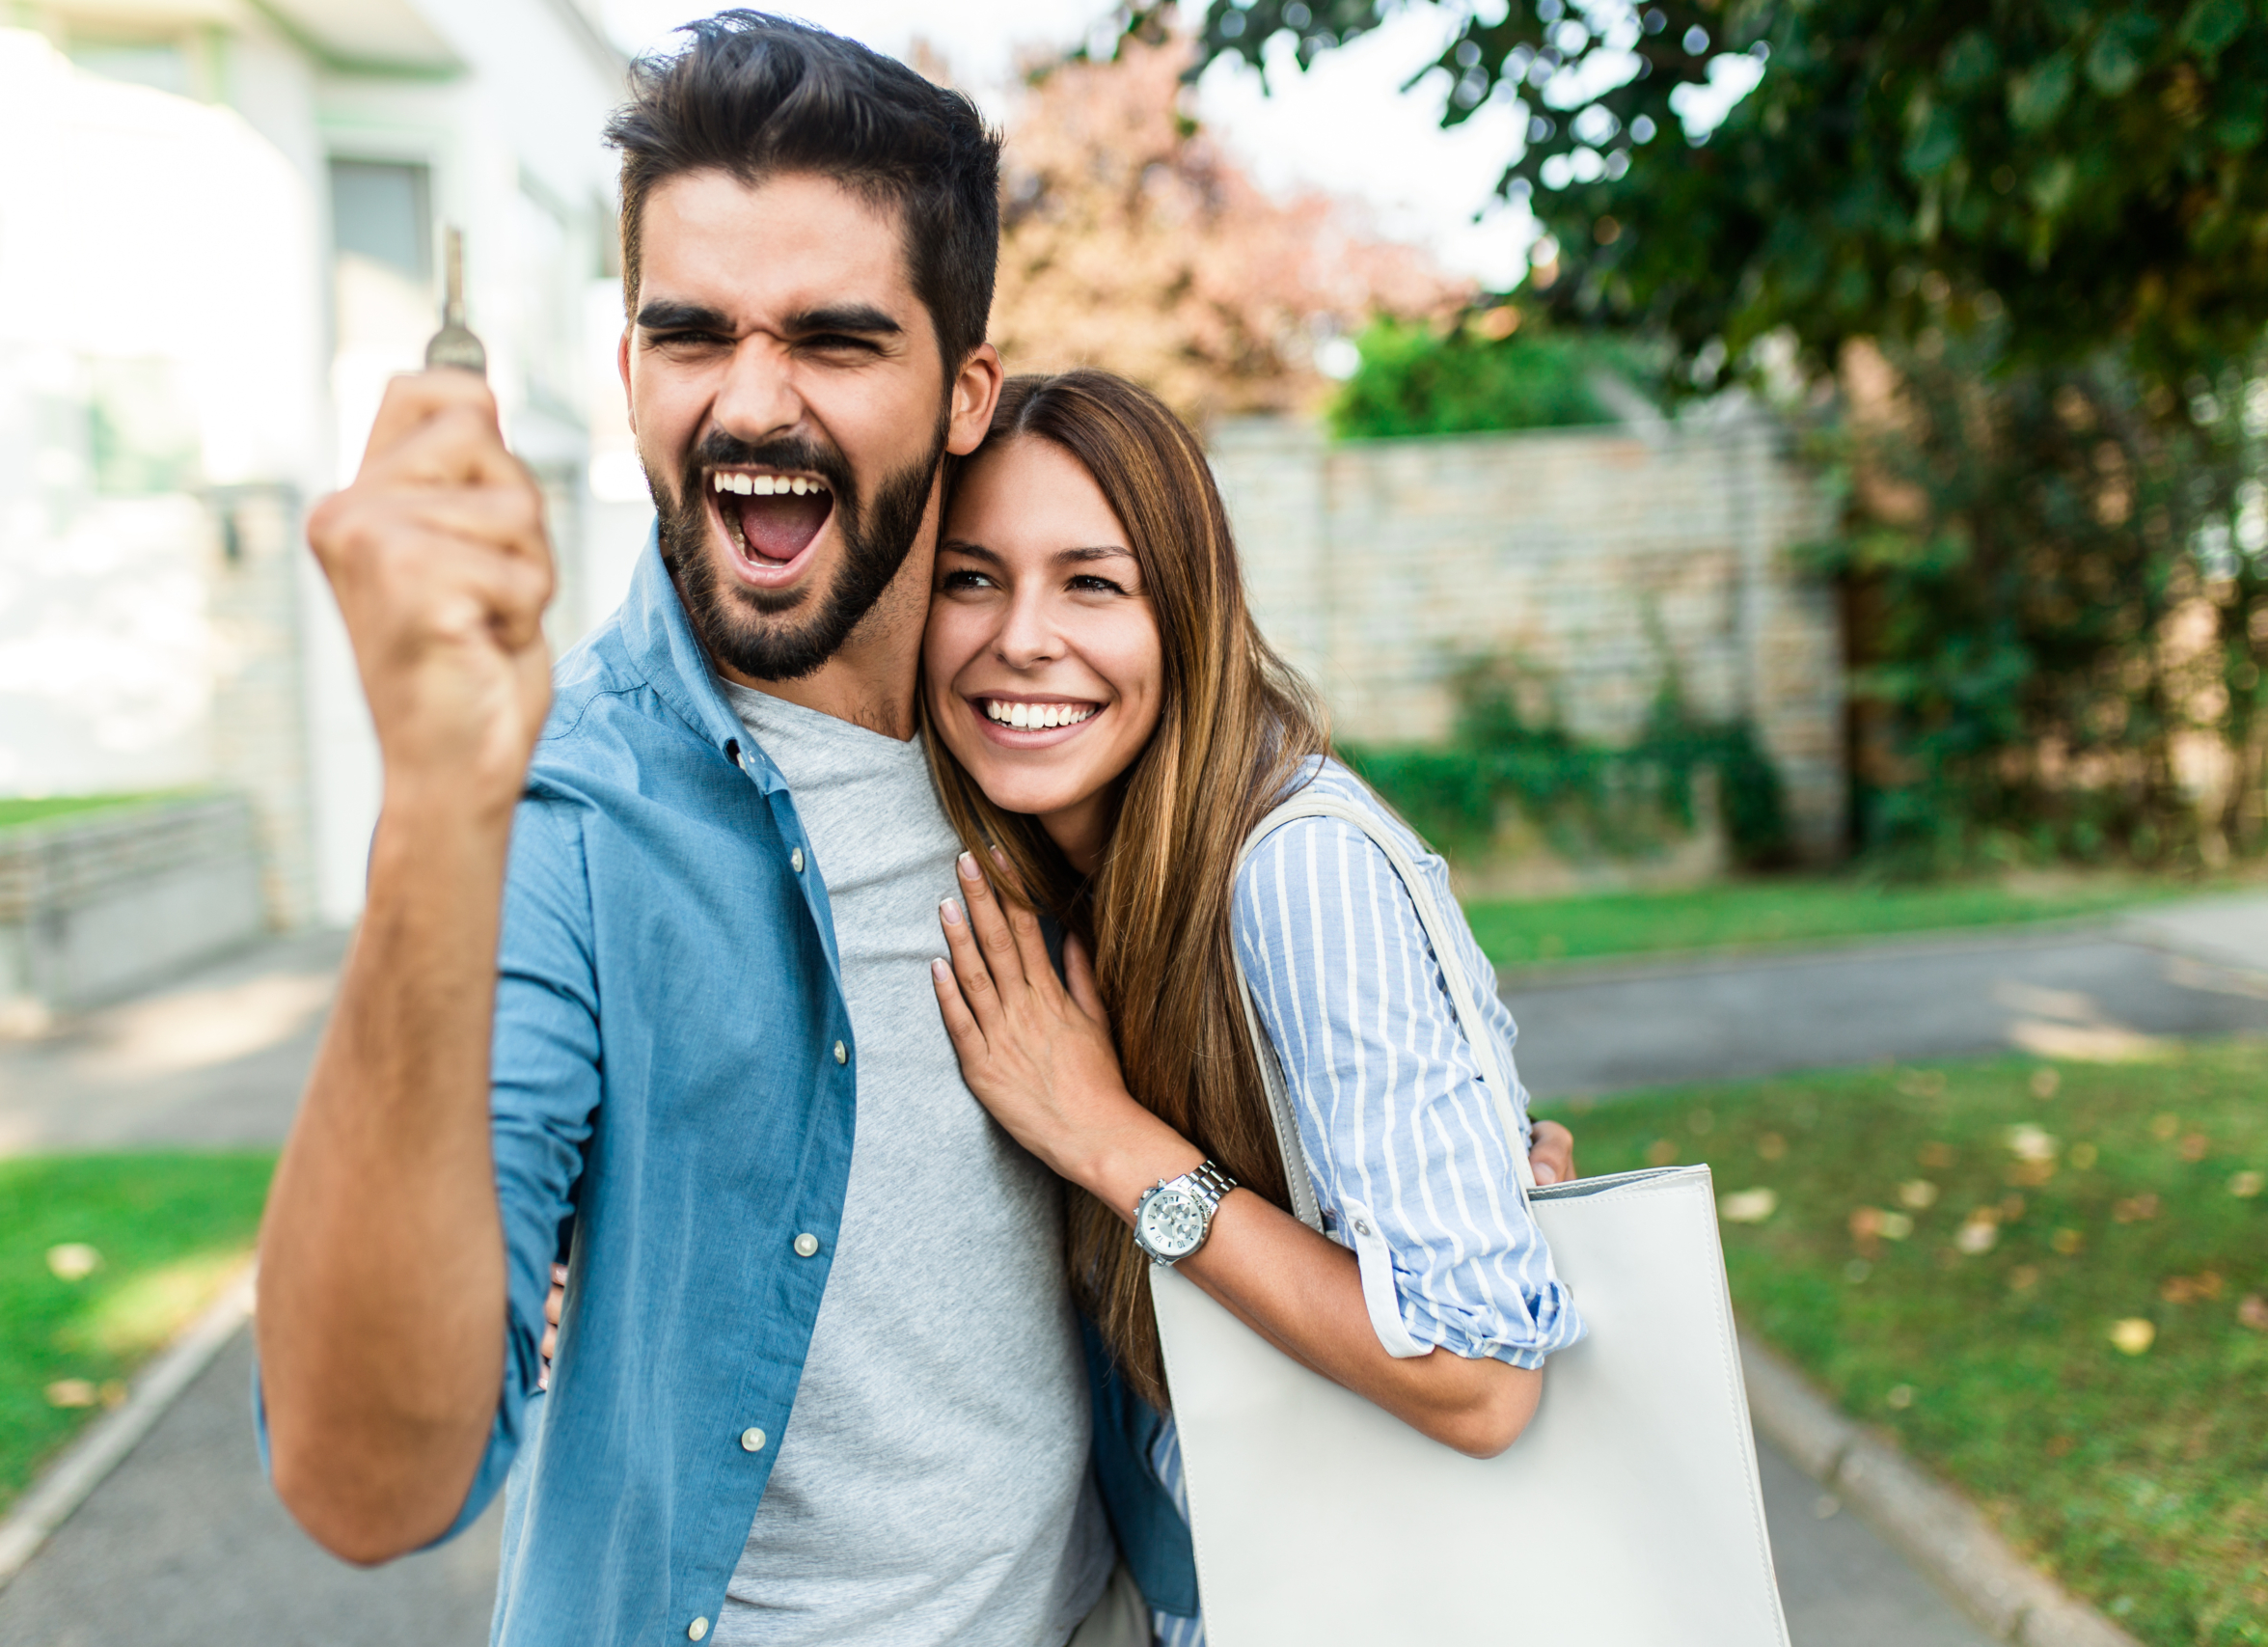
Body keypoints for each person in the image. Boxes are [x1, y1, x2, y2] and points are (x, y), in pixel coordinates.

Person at [259, 13, 1575, 1644]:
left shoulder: (1043, 770)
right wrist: (434, 816)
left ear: (963, 392)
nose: (752, 405)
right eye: (691, 337)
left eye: (832, 340)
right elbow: (364, 1487)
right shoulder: (562, 816)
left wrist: (1393, 1171)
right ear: (625, 371)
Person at [915, 371, 1585, 1644]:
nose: (1022, 636)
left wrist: (1111, 1141)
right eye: (971, 578)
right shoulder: (1079, 875)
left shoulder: (1293, 866)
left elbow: (1484, 1379)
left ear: (1187, 615)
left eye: (1092, 583)